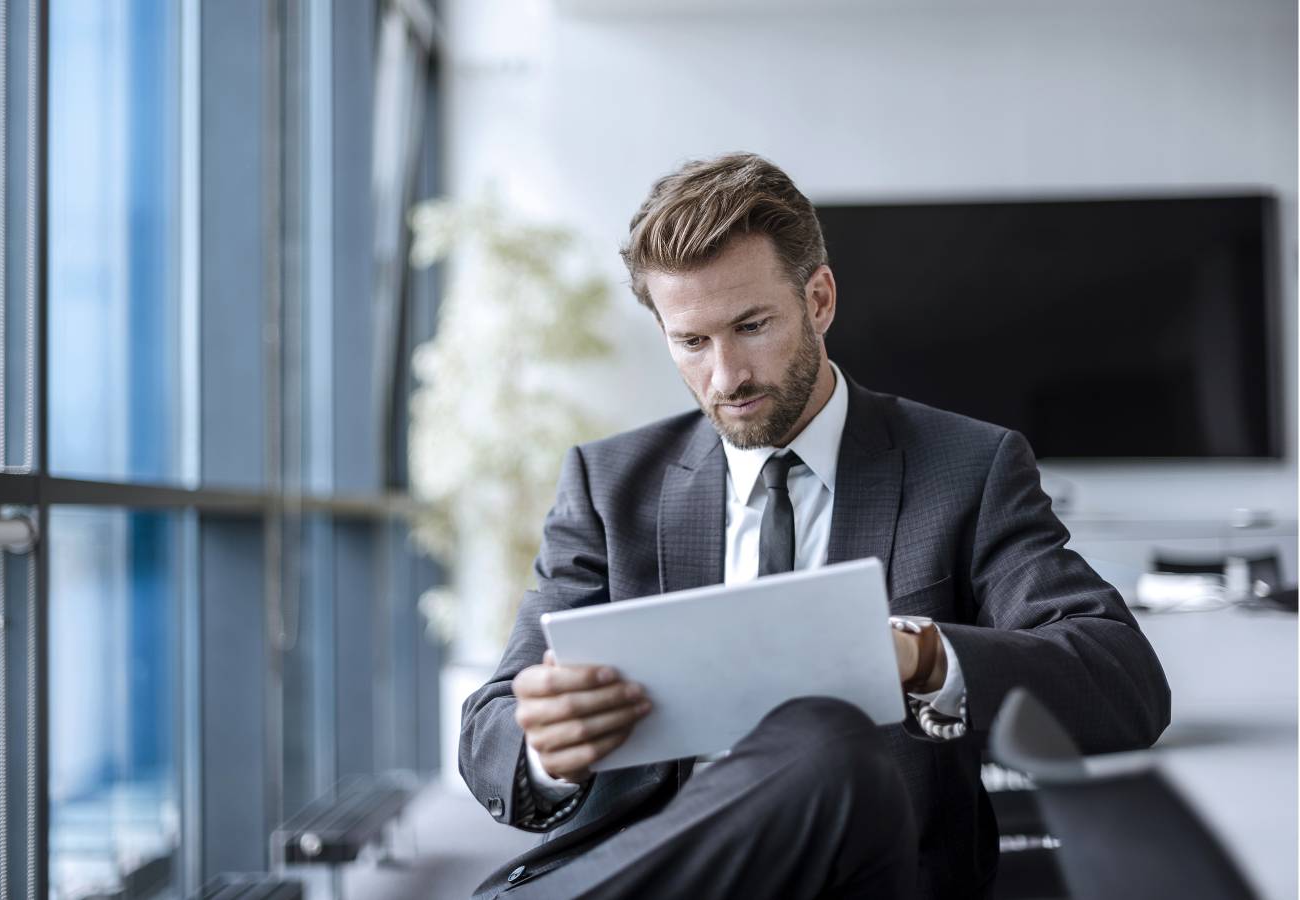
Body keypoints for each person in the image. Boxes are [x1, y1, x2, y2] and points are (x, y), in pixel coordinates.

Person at [458, 152, 1171, 899]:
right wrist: (548, 746)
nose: (726, 376)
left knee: (826, 739)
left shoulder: (966, 468)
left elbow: (1123, 685)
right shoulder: (610, 488)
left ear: (820, 299)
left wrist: (921, 659)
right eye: (691, 343)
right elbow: (491, 733)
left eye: (752, 326)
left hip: (859, 874)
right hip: (656, 869)